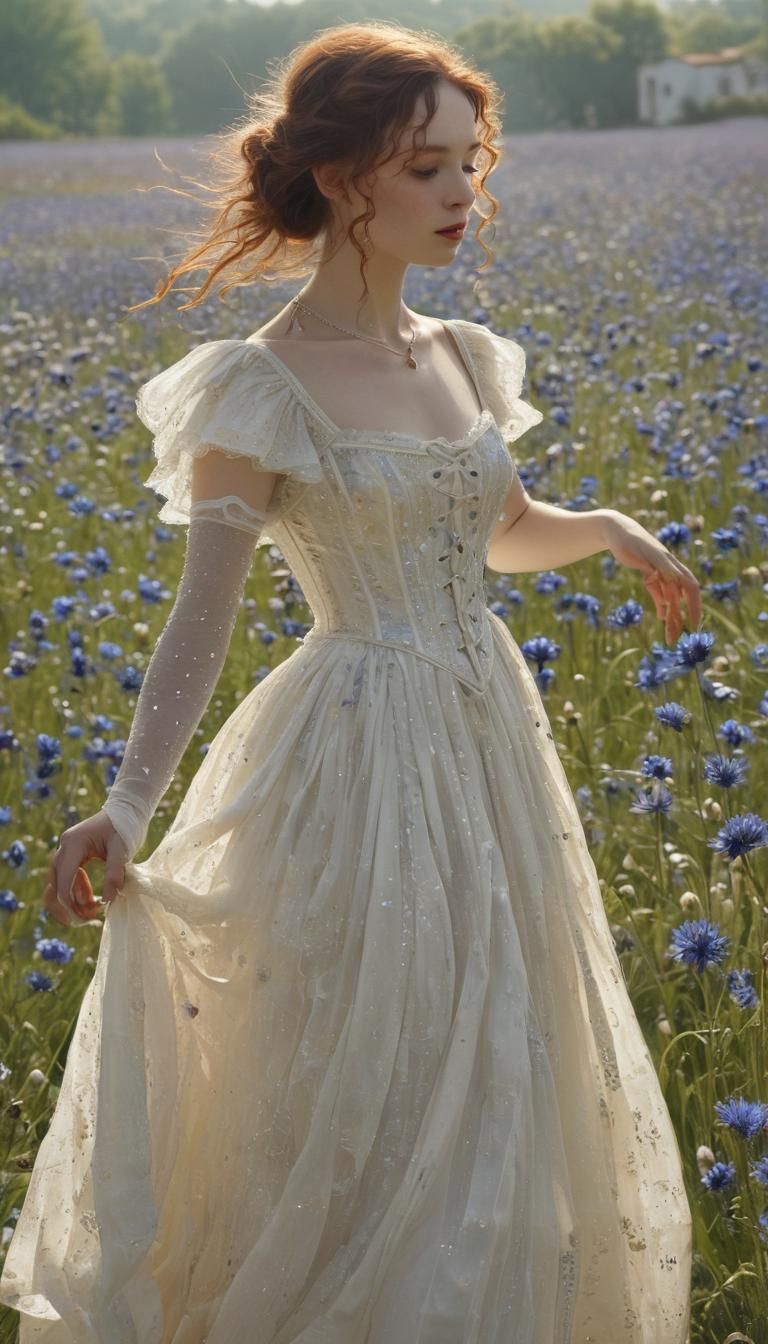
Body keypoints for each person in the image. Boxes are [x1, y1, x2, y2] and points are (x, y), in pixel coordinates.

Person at [0, 21, 698, 1343]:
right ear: (341, 179)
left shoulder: (463, 356)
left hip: (491, 738)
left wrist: (606, 528)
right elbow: (199, 620)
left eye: (468, 165)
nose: (461, 196)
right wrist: (130, 809)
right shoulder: (254, 389)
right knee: (375, 1086)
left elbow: (496, 529)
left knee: (504, 1070)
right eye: (427, 167)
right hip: (357, 759)